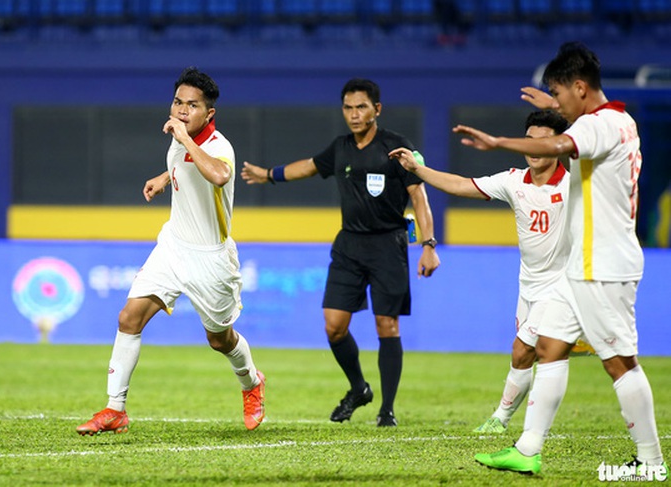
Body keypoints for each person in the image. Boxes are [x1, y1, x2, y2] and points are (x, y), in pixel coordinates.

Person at [454, 42, 666, 475]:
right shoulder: (618, 120)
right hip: (585, 266)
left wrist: (496, 142)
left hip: (603, 264)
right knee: (549, 347)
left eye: (560, 93)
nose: (558, 104)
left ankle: (650, 462)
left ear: (580, 87)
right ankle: (528, 449)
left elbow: (560, 144)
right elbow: (581, 123)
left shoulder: (598, 126)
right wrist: (555, 103)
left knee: (619, 362)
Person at [241, 78, 440, 427]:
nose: (353, 114)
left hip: (388, 245)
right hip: (349, 245)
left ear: (377, 109)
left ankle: (387, 411)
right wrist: (269, 175)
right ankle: (359, 388)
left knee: (386, 324)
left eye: (361, 107)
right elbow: (309, 165)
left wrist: (428, 245)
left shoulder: (397, 147)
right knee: (334, 326)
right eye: (348, 108)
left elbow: (419, 197)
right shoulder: (341, 147)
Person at [77, 67, 265, 435]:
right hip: (173, 245)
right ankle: (115, 408)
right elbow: (184, 165)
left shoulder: (216, 146)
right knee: (129, 318)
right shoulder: (181, 139)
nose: (181, 110)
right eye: (177, 102)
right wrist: (165, 177)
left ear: (209, 114)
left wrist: (184, 139)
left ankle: (251, 384)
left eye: (191, 105)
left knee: (219, 339)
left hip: (211, 258)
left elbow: (219, 175)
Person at [390, 109, 570, 435]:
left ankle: (506, 423)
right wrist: (419, 169)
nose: (532, 148)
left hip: (562, 286)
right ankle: (512, 422)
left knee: (524, 349)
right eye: (527, 140)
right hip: (528, 285)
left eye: (542, 142)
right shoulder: (514, 181)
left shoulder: (575, 188)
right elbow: (460, 185)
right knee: (528, 357)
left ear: (557, 147)